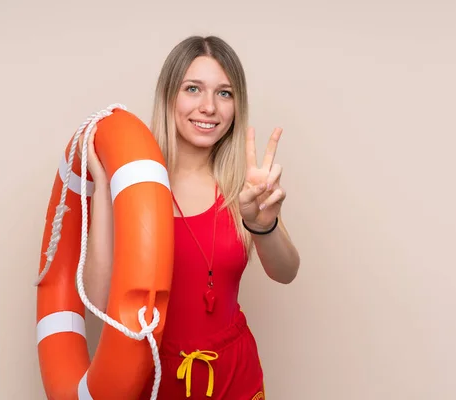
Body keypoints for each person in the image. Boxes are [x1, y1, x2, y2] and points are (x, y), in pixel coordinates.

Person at [81, 35, 300, 400]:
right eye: (193, 89)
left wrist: (263, 225)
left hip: (237, 377)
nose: (209, 107)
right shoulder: (134, 185)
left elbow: (286, 272)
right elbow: (98, 301)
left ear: (236, 106)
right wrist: (104, 187)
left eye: (224, 93)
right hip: (154, 381)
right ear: (169, 96)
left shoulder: (243, 184)